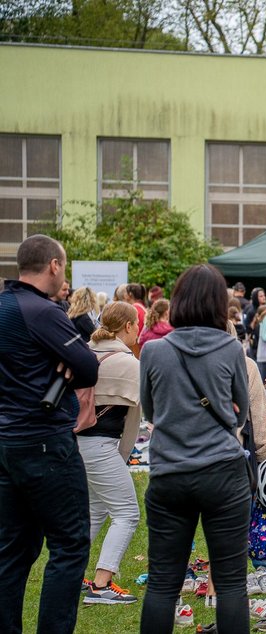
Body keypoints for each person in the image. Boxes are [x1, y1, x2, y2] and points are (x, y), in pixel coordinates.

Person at [139, 264, 252, 633]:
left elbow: (150, 410)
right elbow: (241, 412)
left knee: (162, 584)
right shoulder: (231, 348)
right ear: (219, 304)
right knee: (232, 582)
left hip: (170, 471)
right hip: (222, 470)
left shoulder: (154, 350)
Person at [0, 234, 99, 634]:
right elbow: (88, 368)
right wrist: (67, 361)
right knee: (70, 544)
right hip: (44, 441)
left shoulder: (5, 306)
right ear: (54, 266)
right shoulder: (41, 311)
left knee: (12, 549)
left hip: (8, 441)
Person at [78, 301, 142, 605]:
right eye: (137, 324)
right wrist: (123, 456)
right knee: (127, 513)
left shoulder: (86, 351)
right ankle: (101, 584)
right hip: (101, 444)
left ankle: (76, 574)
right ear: (128, 326)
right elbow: (140, 416)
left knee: (96, 511)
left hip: (77, 441)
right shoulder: (128, 363)